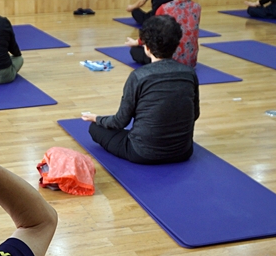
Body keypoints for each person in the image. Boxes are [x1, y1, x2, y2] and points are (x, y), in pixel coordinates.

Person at [82, 15, 199, 164]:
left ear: (147, 48)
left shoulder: (139, 76)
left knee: (95, 129)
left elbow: (120, 121)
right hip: (183, 151)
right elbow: (195, 114)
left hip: (142, 153)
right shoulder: (189, 73)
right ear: (176, 45)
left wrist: (97, 118)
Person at [126, 0, 200, 68]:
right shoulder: (197, 8)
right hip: (190, 60)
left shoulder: (164, 8)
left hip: (168, 60)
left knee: (136, 51)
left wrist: (136, 42)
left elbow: (152, 33)